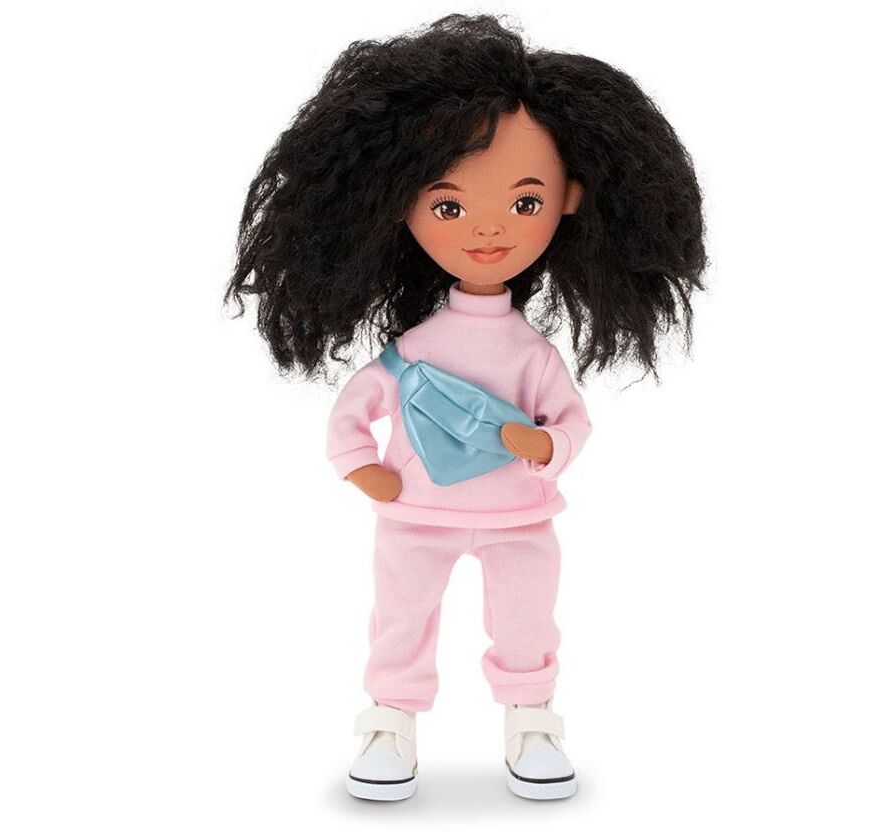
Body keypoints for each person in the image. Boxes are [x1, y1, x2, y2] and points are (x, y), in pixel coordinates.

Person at [227, 13, 706, 802]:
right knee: (400, 616)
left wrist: (544, 446)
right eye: (448, 206)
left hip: (519, 516)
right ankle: (388, 719)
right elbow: (353, 410)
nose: (487, 228)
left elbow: (572, 421)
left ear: (569, 201)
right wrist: (359, 466)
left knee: (527, 619)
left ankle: (531, 718)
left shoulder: (531, 354)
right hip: (415, 514)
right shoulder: (412, 349)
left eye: (524, 203)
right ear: (398, 205)